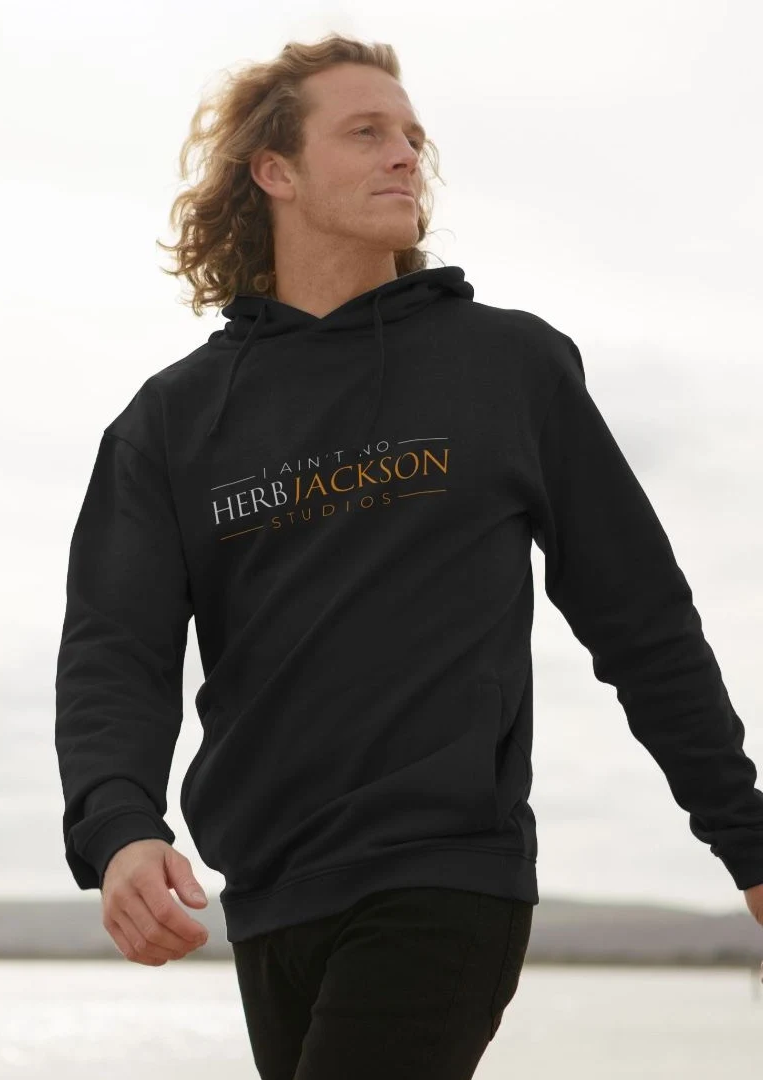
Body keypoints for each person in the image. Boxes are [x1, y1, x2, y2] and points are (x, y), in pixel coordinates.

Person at [54, 31, 763, 1079]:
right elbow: (116, 650)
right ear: (275, 171)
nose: (405, 155)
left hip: (447, 872)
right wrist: (118, 827)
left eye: (412, 137)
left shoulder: (507, 367)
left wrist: (744, 835)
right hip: (271, 893)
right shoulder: (172, 421)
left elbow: (641, 619)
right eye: (367, 132)